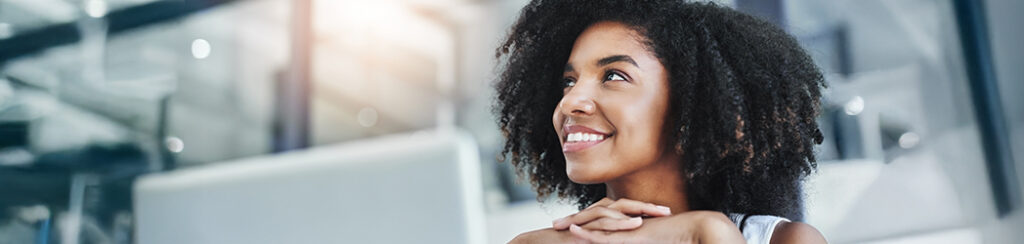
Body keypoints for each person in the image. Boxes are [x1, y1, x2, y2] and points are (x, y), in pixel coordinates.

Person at [493, 1, 829, 243]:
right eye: (569, 81)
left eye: (613, 75)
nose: (570, 102)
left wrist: (706, 234)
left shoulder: (786, 240)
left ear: (689, 109)